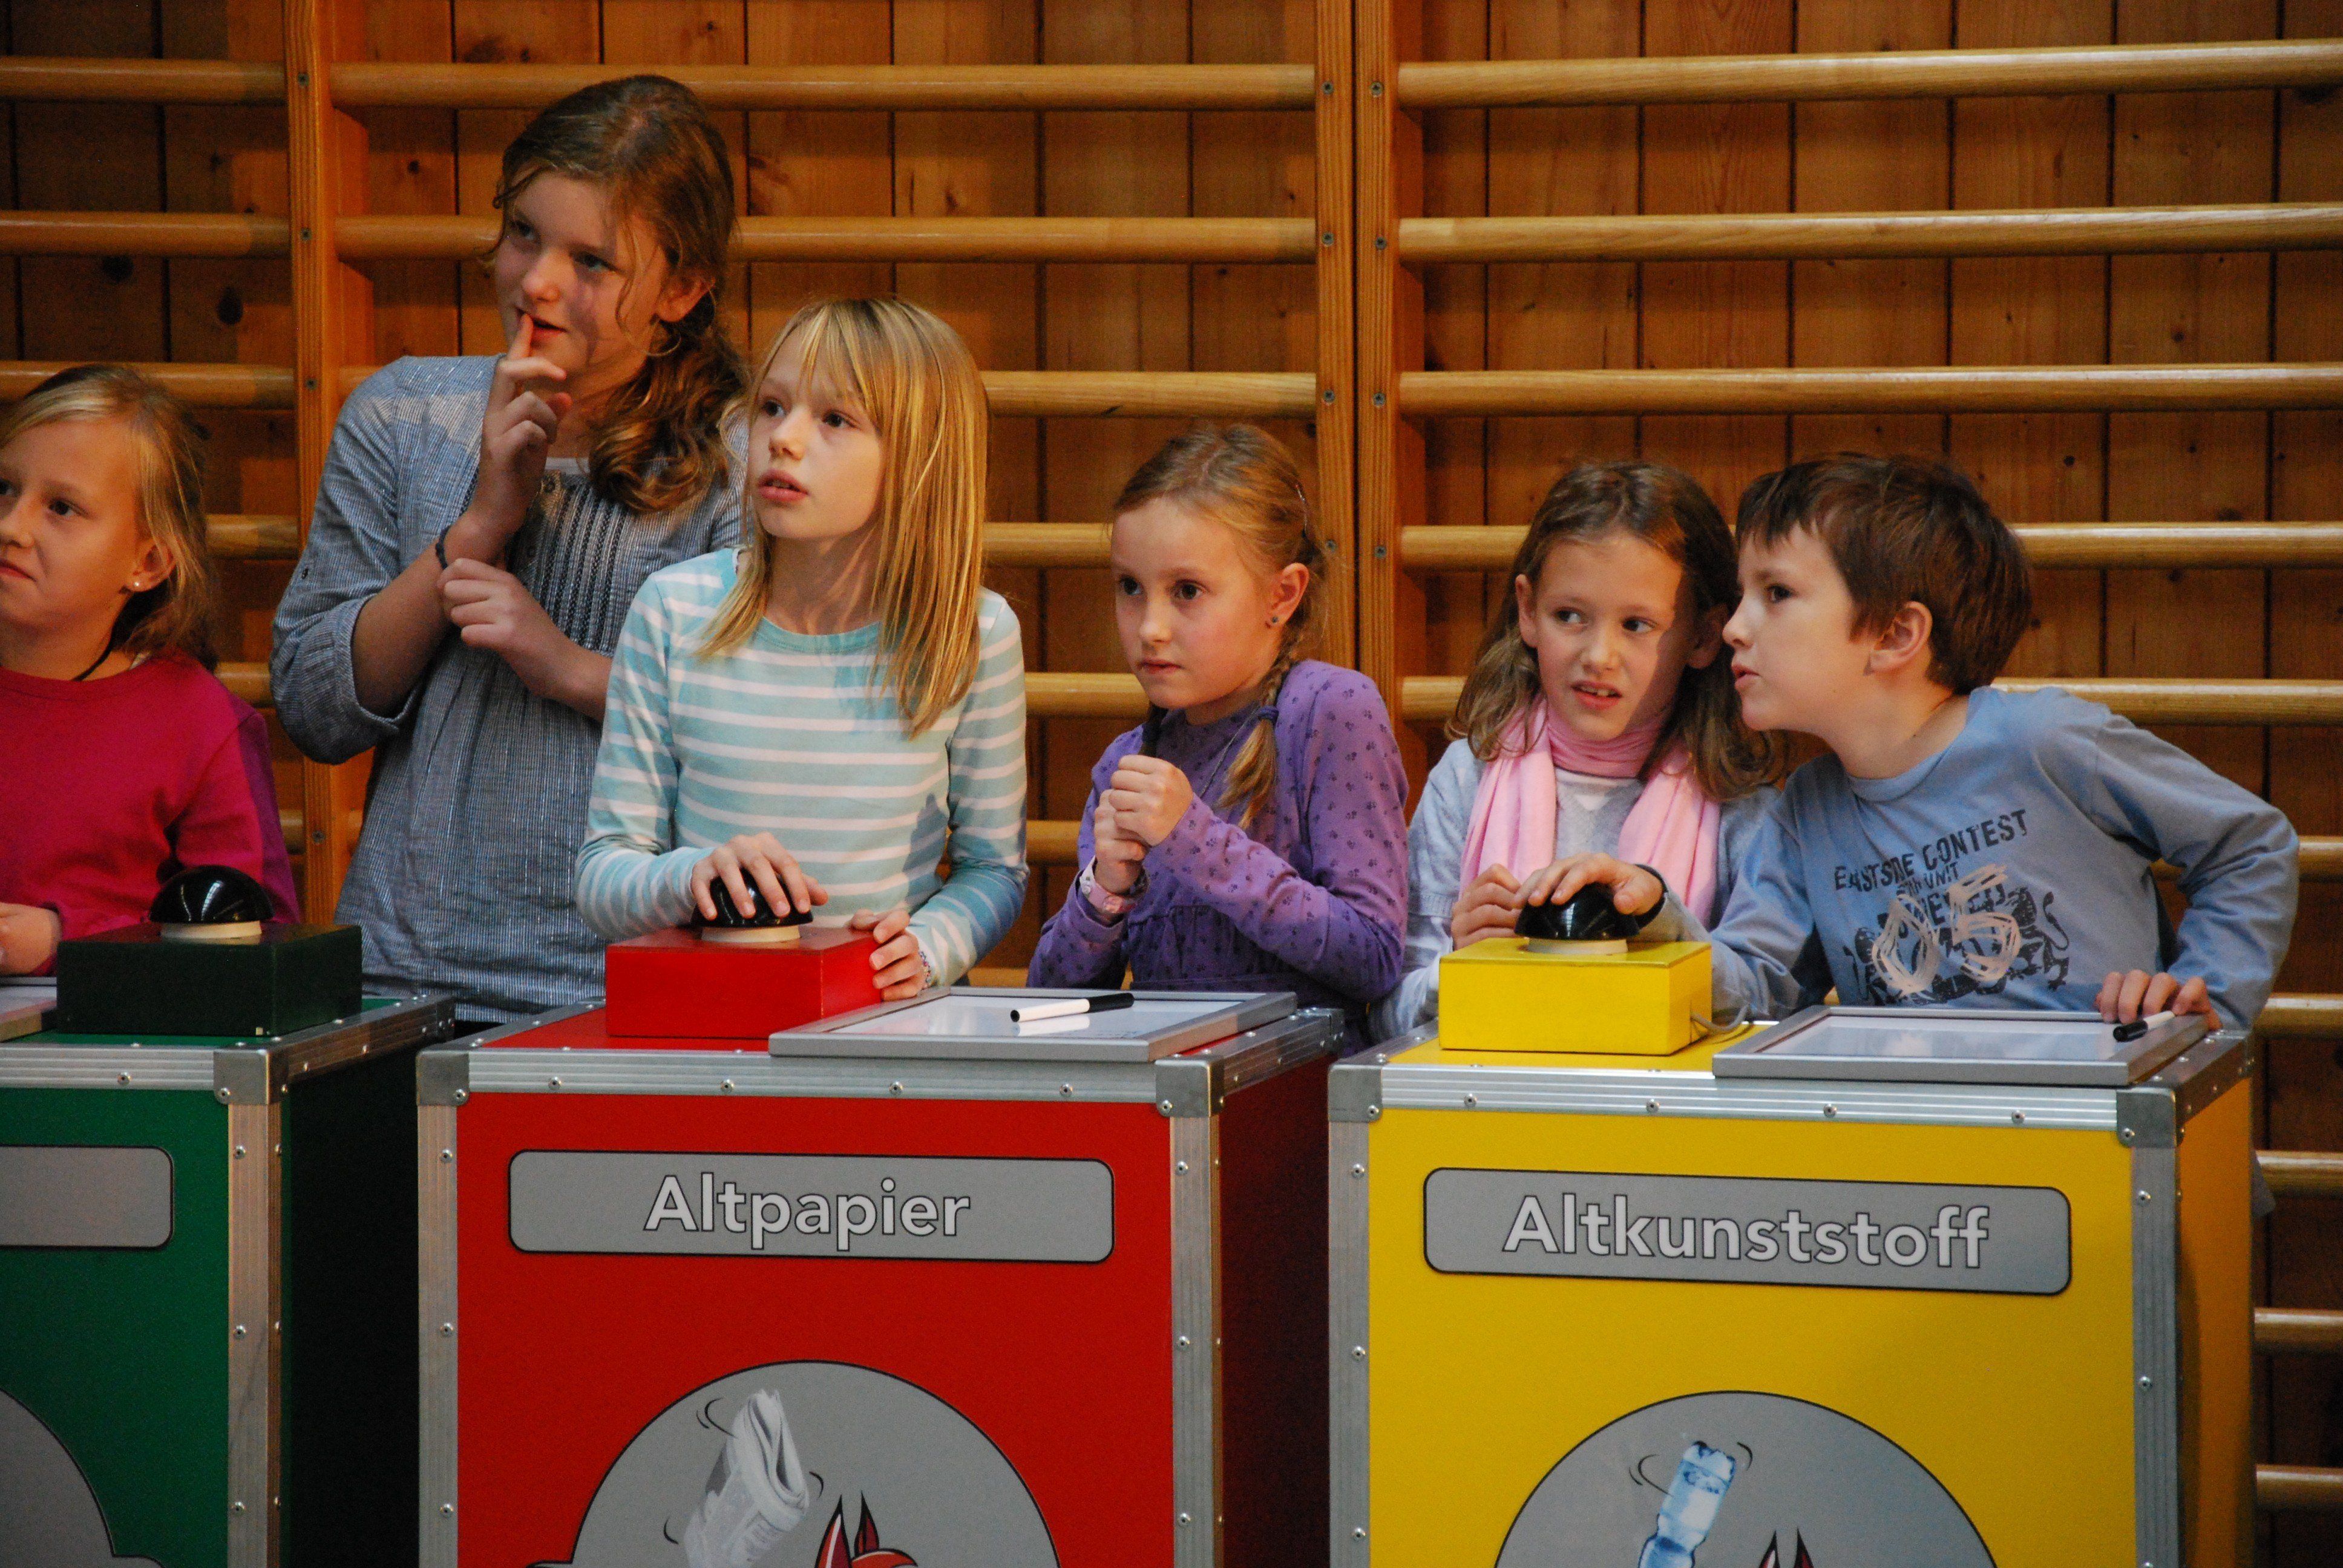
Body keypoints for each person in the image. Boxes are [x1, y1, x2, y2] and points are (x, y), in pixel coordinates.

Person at [270, 76, 746, 1021]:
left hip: (627, 984)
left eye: (592, 261)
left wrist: (566, 668)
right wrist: (481, 525)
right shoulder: (403, 414)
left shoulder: (742, 457)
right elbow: (314, 709)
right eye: (524, 232)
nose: (536, 282)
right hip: (403, 977)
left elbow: (763, 728)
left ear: (682, 290)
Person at [1625, 452, 2297, 1032]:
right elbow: (1756, 986)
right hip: (1933, 1140)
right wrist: (1649, 914)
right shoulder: (1805, 811)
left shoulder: (2046, 740)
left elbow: (2249, 847)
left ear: (1895, 635)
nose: (1735, 628)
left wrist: (2202, 1002)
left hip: (2109, 1128)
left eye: (1775, 593)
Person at [573, 298, 1027, 998]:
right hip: (716, 1025)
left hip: (889, 1028)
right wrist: (690, 878)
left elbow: (994, 869)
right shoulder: (672, 611)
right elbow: (603, 875)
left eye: (835, 419)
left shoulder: (976, 632)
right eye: (772, 407)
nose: (783, 438)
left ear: (920, 458)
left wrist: (928, 947)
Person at [1372, 461, 1781, 1042]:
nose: (1598, 656)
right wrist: (1459, 969)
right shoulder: (1467, 777)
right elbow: (1387, 1014)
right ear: (1527, 611)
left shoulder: (1738, 805)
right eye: (1569, 616)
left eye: (1636, 625)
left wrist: (1662, 923)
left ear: (1702, 636)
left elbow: (1769, 1002)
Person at [1029, 424, 1406, 1040]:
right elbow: (1052, 1005)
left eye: (1187, 591)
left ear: (1281, 595)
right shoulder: (1127, 763)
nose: (1149, 627)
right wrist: (1103, 891)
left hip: (1302, 1092)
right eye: (1130, 587)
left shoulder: (1330, 710)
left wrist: (1194, 839)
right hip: (1169, 1089)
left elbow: (1373, 956)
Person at [0, 365, 297, 974]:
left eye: (61, 507)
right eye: (3, 488)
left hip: (106, 1030)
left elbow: (256, 944)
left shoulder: (200, 724)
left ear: (149, 562)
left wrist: (64, 941)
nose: (11, 525)